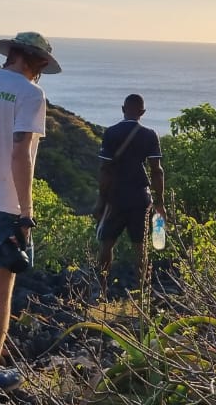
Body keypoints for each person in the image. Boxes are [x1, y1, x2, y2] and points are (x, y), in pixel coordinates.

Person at [0, 31, 61, 402]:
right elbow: (22, 152)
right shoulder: (32, 95)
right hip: (5, 202)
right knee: (1, 289)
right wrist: (27, 210)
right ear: (36, 62)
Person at [94, 94, 165, 289]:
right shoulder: (150, 134)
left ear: (123, 109)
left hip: (115, 197)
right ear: (142, 112)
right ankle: (143, 289)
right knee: (140, 246)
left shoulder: (111, 133)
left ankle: (101, 289)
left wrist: (101, 200)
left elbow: (104, 170)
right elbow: (157, 171)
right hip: (140, 197)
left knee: (106, 244)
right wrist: (160, 202)